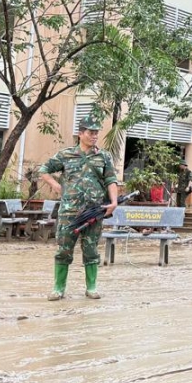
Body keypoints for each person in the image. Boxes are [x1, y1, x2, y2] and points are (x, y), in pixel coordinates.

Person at [38, 116, 118, 301]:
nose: (94, 136)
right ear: (80, 133)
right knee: (63, 250)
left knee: (91, 250)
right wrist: (55, 185)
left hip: (94, 211)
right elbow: (44, 169)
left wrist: (113, 203)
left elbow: (111, 180)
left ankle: (91, 288)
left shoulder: (103, 156)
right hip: (69, 211)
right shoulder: (66, 155)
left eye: (96, 132)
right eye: (91, 132)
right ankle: (58, 288)